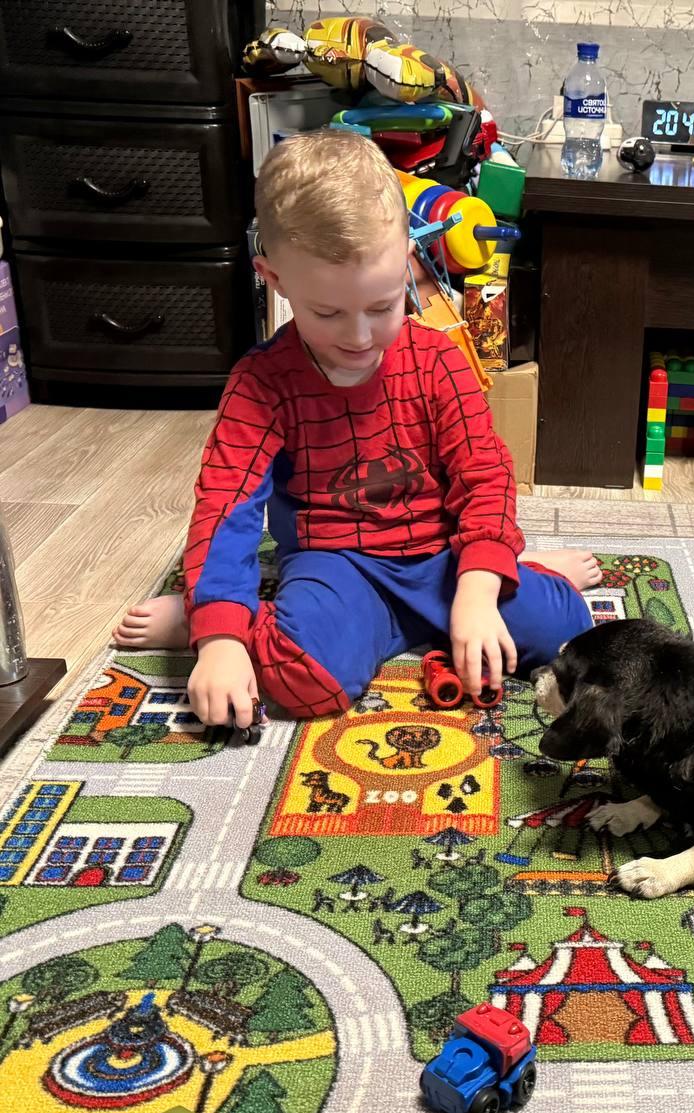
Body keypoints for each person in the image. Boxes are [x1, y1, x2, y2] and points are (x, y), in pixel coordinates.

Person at [113, 128, 598, 729]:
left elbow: (484, 475)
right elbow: (224, 509)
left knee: (571, 632)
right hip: (336, 564)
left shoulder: (439, 360)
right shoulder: (260, 383)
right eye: (327, 312)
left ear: (409, 261)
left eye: (382, 306)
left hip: (440, 557)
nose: (361, 337)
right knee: (304, 684)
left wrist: (478, 586)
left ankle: (512, 569)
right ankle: (214, 613)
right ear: (274, 278)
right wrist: (219, 638)